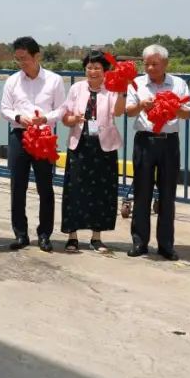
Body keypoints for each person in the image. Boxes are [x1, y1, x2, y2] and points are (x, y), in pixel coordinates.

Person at [125, 44, 190, 260]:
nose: (150, 68)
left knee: (167, 195)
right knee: (141, 193)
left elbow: (187, 114)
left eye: (154, 64)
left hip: (169, 143)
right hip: (144, 141)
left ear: (165, 64)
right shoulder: (137, 84)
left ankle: (166, 245)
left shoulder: (179, 84)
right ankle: (139, 242)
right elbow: (128, 112)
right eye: (146, 64)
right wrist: (142, 106)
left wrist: (174, 107)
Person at [0, 36, 66, 252]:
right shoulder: (12, 81)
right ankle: (20, 234)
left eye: (25, 58)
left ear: (37, 56)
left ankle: (45, 235)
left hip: (44, 137)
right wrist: (19, 118)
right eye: (18, 59)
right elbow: (5, 109)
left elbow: (62, 109)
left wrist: (45, 118)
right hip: (20, 136)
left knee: (45, 187)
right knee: (17, 187)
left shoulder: (54, 80)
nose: (21, 63)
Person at [60, 50, 126, 252]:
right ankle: (72, 236)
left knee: (102, 191)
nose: (93, 71)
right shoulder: (76, 88)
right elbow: (65, 117)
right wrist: (73, 119)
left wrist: (123, 91)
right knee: (74, 190)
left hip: (103, 146)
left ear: (105, 70)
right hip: (80, 144)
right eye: (89, 67)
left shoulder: (112, 89)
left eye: (97, 67)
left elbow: (118, 112)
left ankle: (97, 237)